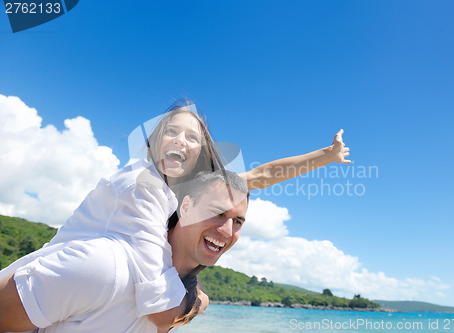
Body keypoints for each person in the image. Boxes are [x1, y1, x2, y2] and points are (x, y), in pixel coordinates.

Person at [0, 99, 351, 331]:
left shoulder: (193, 188)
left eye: (191, 137)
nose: (180, 140)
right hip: (61, 275)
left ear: (202, 153)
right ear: (153, 144)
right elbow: (161, 307)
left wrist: (326, 155)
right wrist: (197, 301)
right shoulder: (143, 184)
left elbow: (259, 177)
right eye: (171, 131)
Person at [0, 170, 249, 333]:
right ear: (186, 207)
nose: (227, 231)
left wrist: (195, 304)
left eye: (238, 222)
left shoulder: (178, 295)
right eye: (218, 212)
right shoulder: (104, 267)